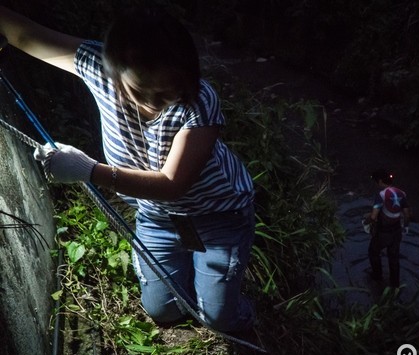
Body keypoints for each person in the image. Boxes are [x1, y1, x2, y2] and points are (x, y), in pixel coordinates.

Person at [0, 5, 256, 332]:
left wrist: (88, 170)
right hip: (157, 217)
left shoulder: (200, 102)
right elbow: (23, 33)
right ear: (116, 73)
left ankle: (242, 317)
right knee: (162, 310)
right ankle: (202, 281)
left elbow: (171, 184)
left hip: (218, 215)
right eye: (142, 92)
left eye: (169, 90)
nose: (155, 102)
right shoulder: (97, 65)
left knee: (218, 319)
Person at [364, 169, 411, 288]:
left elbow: (374, 216)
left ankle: (377, 277)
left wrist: (366, 221)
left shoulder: (381, 195)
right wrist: (405, 227)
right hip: (397, 231)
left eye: (376, 181)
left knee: (373, 252)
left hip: (384, 232)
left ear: (380, 181)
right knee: (394, 258)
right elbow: (407, 214)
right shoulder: (401, 193)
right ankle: (395, 284)